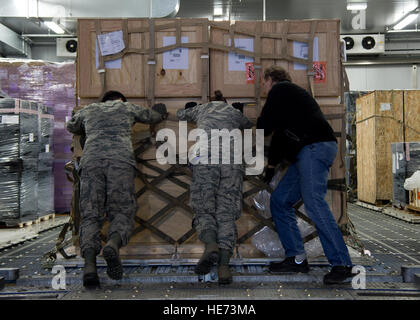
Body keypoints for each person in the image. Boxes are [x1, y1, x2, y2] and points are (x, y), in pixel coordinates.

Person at [257, 65, 353, 285]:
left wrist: (254, 120)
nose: (263, 87)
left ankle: (342, 264)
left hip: (314, 148)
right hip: (309, 151)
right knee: (280, 201)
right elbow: (281, 134)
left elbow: (266, 125)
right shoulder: (292, 98)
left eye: (263, 82)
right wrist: (271, 167)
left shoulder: (280, 90)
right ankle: (297, 259)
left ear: (271, 79)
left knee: (314, 203)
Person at [66, 90, 164, 288]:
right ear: (121, 101)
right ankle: (113, 244)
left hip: (91, 162)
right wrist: (160, 111)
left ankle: (90, 266)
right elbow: (153, 117)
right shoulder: (127, 108)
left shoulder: (89, 109)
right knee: (121, 210)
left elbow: (71, 126)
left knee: (91, 214)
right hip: (120, 161)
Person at [176, 100, 253, 284]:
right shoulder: (234, 113)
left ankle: (211, 245)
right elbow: (248, 123)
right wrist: (239, 110)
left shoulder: (201, 109)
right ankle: (224, 267)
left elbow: (180, 114)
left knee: (204, 208)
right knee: (226, 213)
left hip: (205, 158)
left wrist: (189, 107)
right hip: (231, 162)